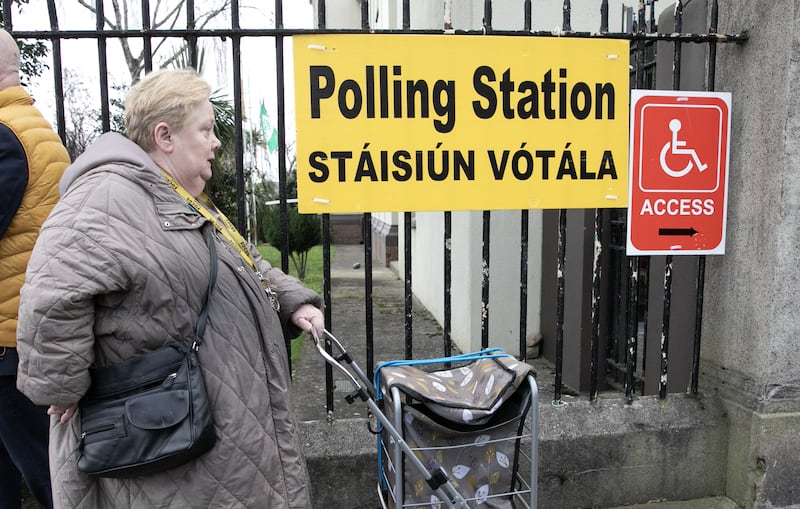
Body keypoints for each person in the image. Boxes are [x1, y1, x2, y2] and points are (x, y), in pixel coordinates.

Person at [15, 68, 324, 509]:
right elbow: (51, 292)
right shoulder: (106, 196)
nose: (215, 142)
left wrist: (292, 300)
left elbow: (239, 259)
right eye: (205, 130)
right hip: (168, 449)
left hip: (217, 436)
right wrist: (60, 384)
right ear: (165, 135)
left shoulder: (174, 194)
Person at [0, 29, 69, 509]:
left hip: (9, 346)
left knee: (47, 477)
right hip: (25, 334)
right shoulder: (31, 126)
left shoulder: (7, 135)